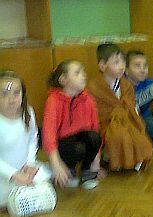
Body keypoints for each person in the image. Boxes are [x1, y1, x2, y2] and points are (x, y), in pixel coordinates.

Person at [87, 42, 153, 171]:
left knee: (140, 137)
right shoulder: (93, 87)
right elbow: (95, 114)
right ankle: (114, 159)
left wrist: (133, 121)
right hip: (106, 125)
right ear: (102, 66)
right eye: (116, 62)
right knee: (119, 135)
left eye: (123, 62)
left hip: (126, 121)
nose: (122, 66)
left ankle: (134, 159)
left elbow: (132, 107)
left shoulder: (126, 85)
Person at [42, 60, 102, 189]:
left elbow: (95, 128)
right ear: (63, 79)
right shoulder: (53, 101)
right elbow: (48, 136)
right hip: (64, 146)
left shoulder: (88, 99)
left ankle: (86, 170)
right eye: (77, 73)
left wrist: (96, 159)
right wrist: (56, 165)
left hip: (80, 142)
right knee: (77, 148)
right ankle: (68, 169)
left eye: (83, 72)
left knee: (94, 137)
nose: (84, 75)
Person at [0, 70, 53, 208]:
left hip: (23, 168)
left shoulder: (28, 112)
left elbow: (32, 138)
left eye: (16, 93)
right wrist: (13, 174)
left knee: (44, 184)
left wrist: (30, 162)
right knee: (11, 198)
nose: (11, 99)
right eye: (4, 94)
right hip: (4, 173)